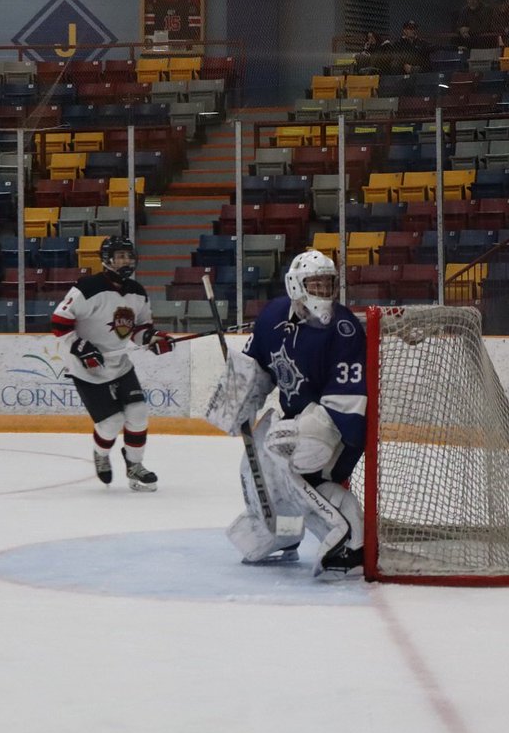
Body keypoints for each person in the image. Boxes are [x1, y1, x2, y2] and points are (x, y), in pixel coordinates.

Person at [205, 250, 367, 580]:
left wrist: (308, 435)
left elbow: (347, 401)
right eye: (315, 284)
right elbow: (256, 365)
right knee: (257, 469)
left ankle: (349, 539)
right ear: (295, 285)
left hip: (335, 428)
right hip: (297, 421)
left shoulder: (344, 327)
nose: (323, 291)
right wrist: (236, 401)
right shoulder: (274, 315)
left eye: (328, 284)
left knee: (292, 459)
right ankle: (283, 532)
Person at [50, 236, 176, 492]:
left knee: (138, 413)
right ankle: (100, 453)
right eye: (120, 256)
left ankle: (135, 464)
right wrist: (82, 348)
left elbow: (139, 329)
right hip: (87, 368)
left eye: (129, 256)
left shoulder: (137, 292)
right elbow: (59, 323)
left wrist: (153, 339)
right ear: (107, 259)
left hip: (119, 363)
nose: (126, 261)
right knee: (110, 423)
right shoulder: (88, 288)